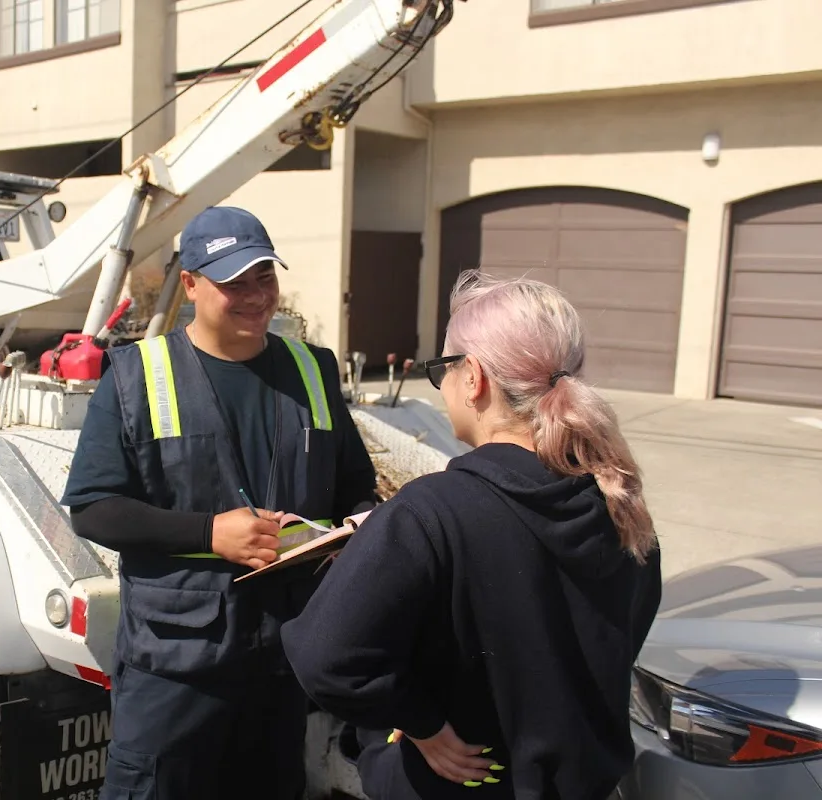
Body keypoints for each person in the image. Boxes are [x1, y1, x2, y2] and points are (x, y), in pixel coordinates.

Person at [280, 271, 664, 800]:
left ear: (474, 378)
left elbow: (324, 655)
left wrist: (422, 724)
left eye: (444, 368)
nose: (441, 385)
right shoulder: (622, 506)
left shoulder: (430, 514)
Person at [60, 205, 380, 800]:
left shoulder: (313, 369)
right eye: (233, 282)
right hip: (177, 665)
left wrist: (351, 531)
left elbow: (356, 487)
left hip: (283, 659)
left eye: (264, 276)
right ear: (190, 284)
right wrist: (210, 535)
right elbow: (94, 507)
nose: (255, 296)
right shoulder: (136, 374)